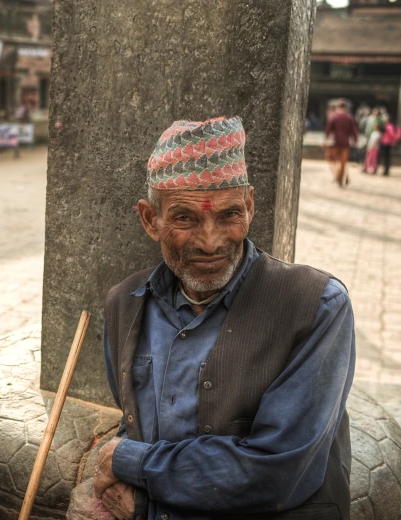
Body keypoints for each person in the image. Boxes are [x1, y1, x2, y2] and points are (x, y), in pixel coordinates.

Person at [69, 117, 355, 520]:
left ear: (251, 207)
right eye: (185, 218)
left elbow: (279, 472)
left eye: (228, 215)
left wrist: (132, 468)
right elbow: (136, 426)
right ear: (151, 220)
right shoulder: (125, 304)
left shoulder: (318, 306)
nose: (210, 240)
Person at [324, 100, 359, 187]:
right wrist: (355, 140)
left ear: (337, 107)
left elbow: (328, 130)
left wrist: (326, 139)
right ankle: (340, 178)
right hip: (345, 143)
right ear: (346, 108)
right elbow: (354, 131)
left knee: (332, 160)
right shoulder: (349, 118)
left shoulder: (334, 117)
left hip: (335, 142)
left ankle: (337, 175)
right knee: (343, 162)